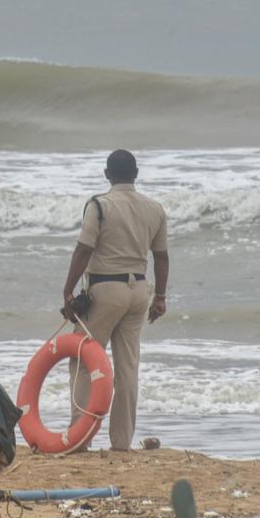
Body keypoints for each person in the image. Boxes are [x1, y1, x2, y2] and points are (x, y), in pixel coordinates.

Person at [61, 149, 168, 451]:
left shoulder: (99, 205)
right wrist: (159, 297)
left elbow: (84, 250)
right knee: (127, 367)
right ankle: (121, 442)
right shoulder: (154, 208)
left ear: (107, 175)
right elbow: (161, 256)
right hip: (139, 292)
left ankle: (79, 438)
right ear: (136, 174)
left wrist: (68, 290)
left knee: (83, 359)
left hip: (105, 289)